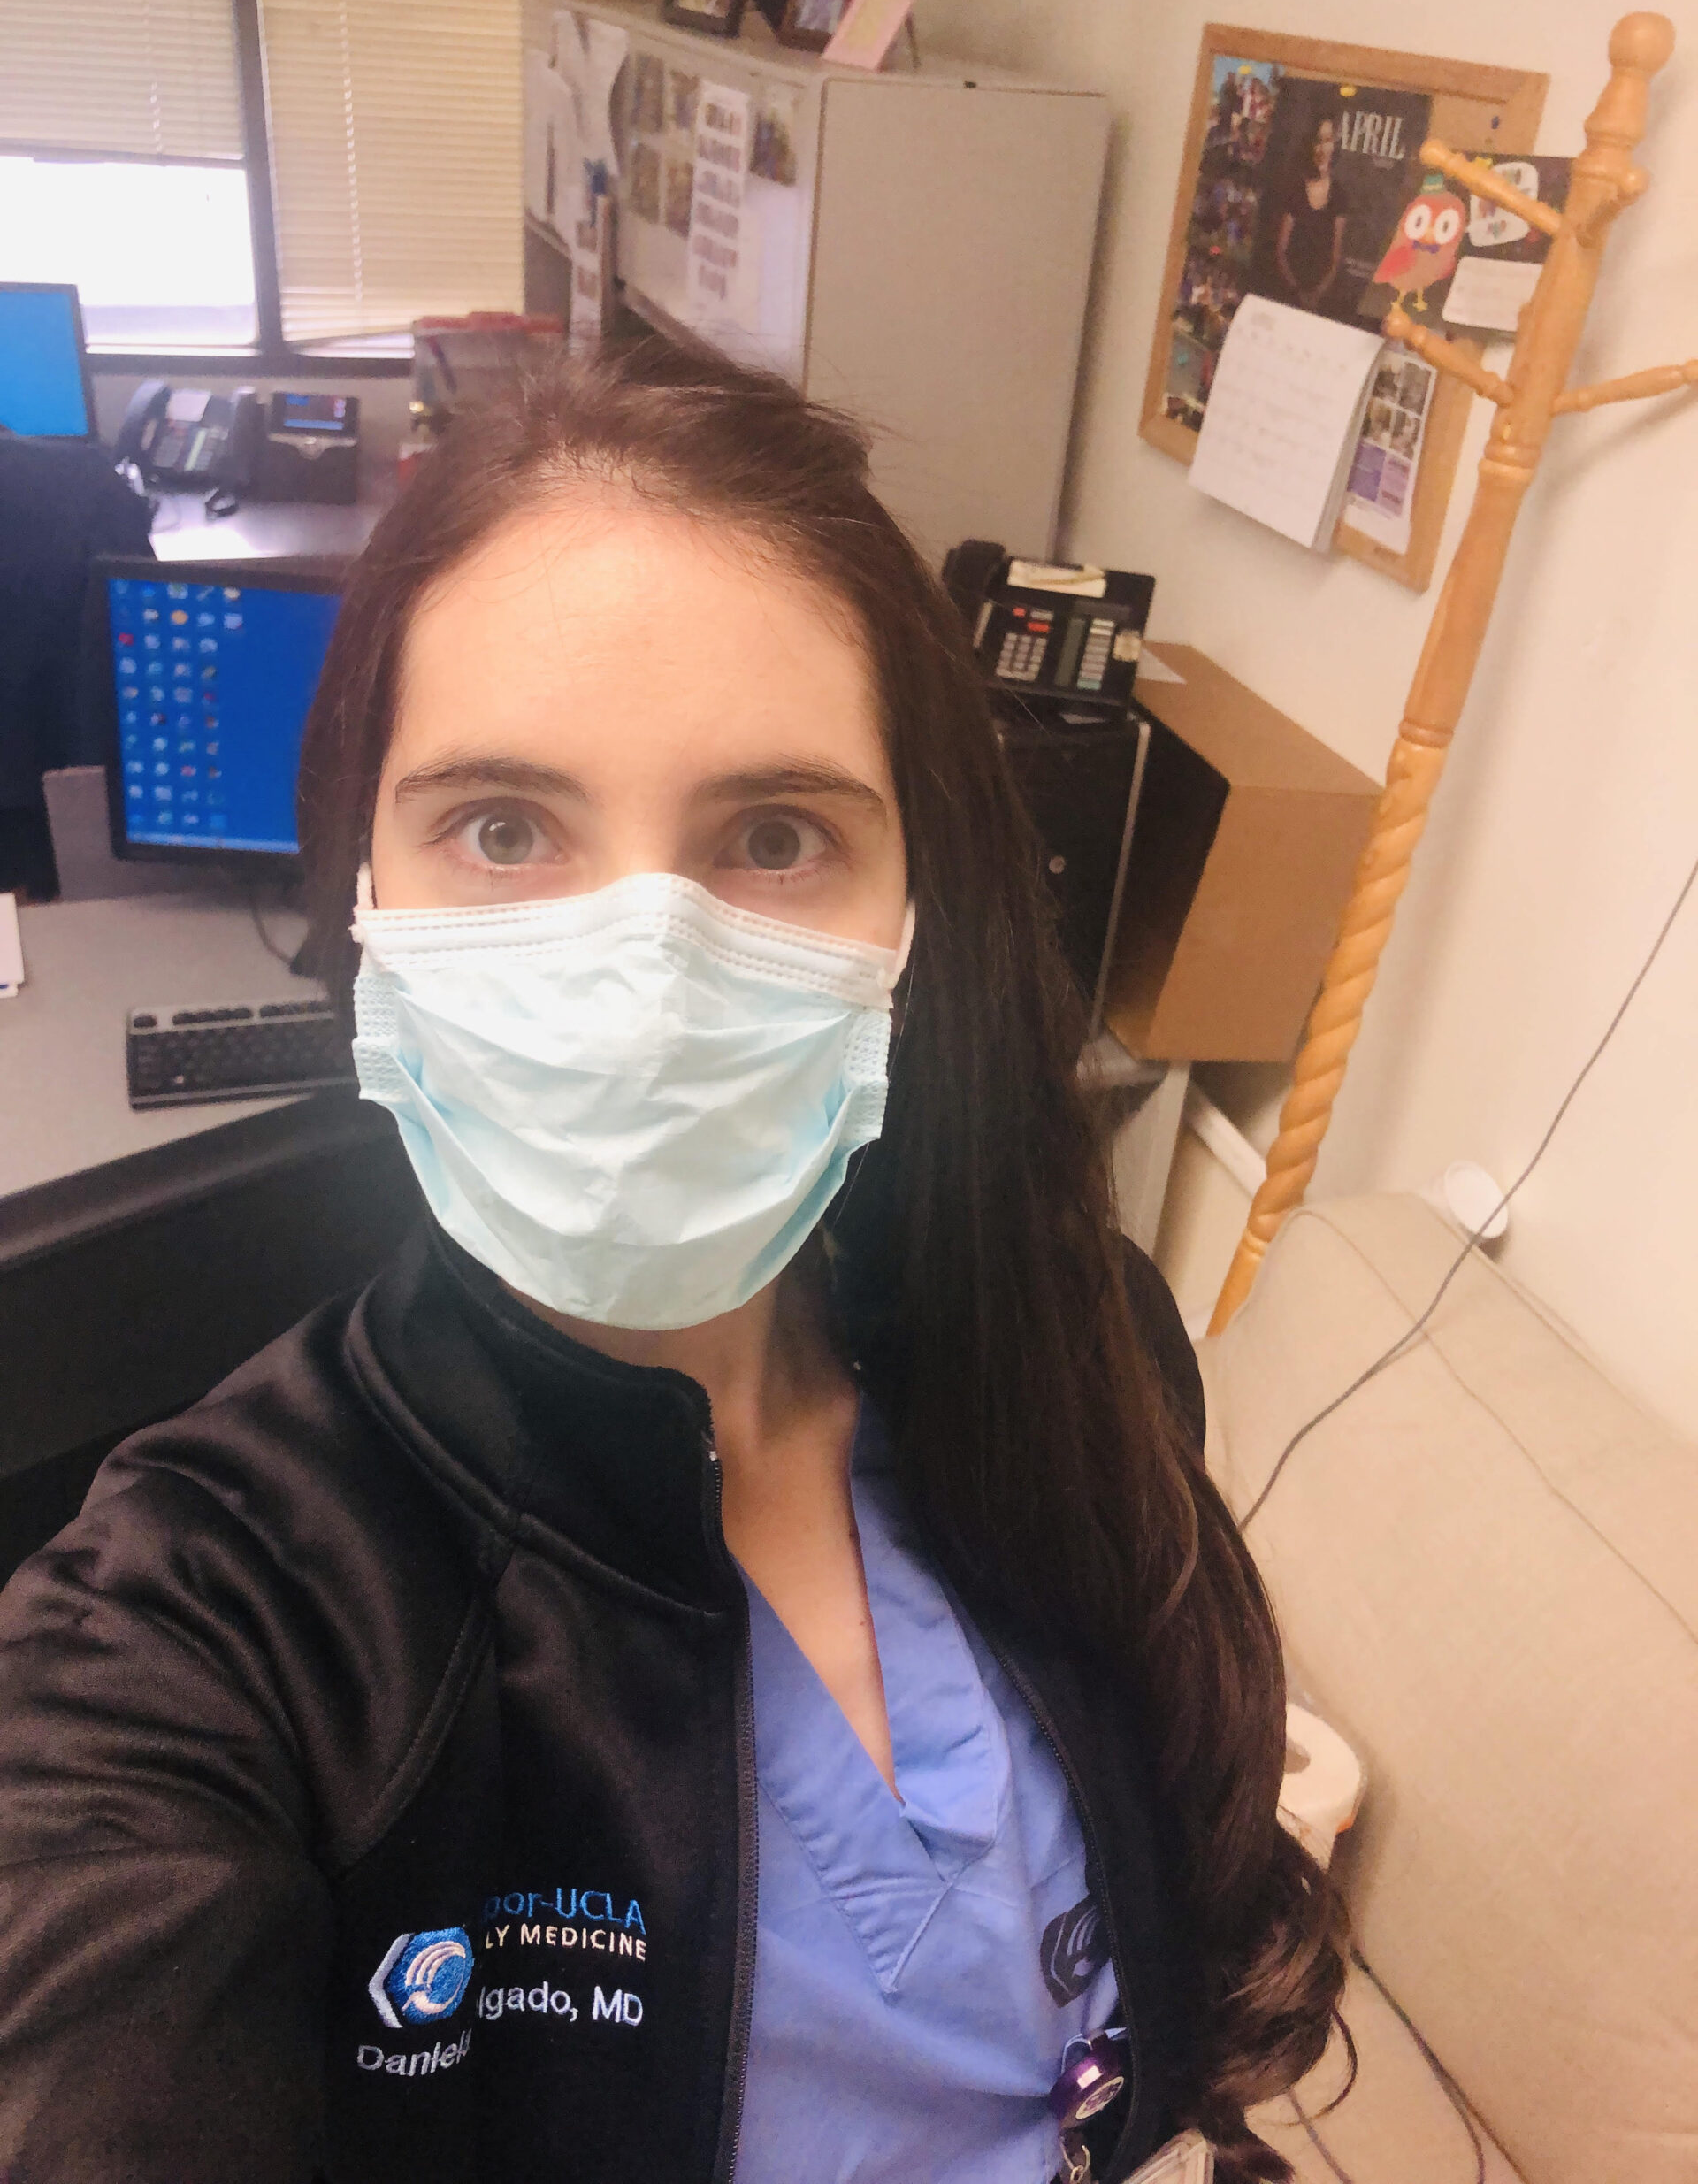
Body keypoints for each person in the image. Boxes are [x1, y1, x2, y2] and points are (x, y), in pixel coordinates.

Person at [0, 338, 1345, 2184]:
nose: (644, 975)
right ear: (361, 898)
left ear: (909, 918)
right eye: (502, 827)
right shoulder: (212, 1627)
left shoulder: (1082, 1345)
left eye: (773, 837)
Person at [1273, 117, 1349, 313]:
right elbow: (1281, 250)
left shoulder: (1339, 194)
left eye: (1328, 140)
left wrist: (1317, 295)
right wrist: (1297, 292)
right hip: (1288, 293)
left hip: (1321, 298)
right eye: (1318, 141)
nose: (1322, 149)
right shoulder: (1294, 188)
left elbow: (1335, 258)